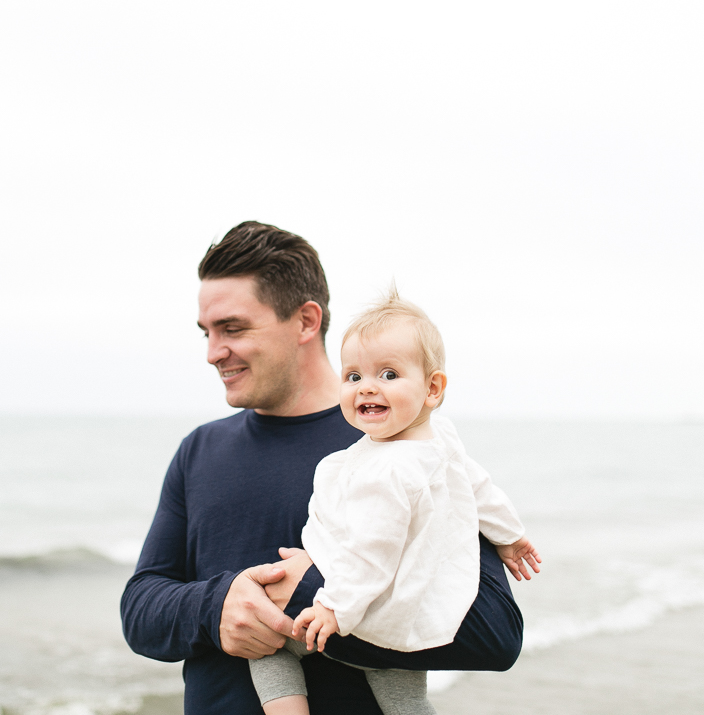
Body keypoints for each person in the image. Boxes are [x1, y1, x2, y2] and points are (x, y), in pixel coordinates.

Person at [121, 222, 524, 715]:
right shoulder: (199, 450)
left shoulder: (404, 444)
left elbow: (496, 634)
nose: (212, 352)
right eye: (207, 333)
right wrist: (216, 608)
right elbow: (140, 608)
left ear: (306, 321)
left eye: (233, 328)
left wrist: (310, 592)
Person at [247, 290, 541, 715]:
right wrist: (510, 535)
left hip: (366, 607)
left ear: (432, 388)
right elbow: (479, 489)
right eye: (353, 377)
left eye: (388, 374)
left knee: (269, 647)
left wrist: (333, 606)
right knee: (403, 697)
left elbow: (373, 550)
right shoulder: (439, 439)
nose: (367, 387)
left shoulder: (388, 472)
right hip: (412, 608)